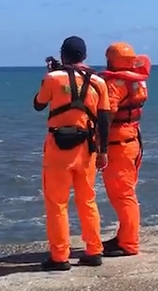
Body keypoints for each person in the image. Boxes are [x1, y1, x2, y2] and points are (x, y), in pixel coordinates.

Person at [33, 35, 111, 270]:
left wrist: (52, 73)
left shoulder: (53, 78)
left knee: (57, 204)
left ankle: (59, 256)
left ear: (62, 54)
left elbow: (38, 104)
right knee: (87, 200)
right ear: (84, 56)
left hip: (58, 147)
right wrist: (103, 151)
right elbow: (105, 118)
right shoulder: (99, 81)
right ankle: (94, 250)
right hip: (87, 148)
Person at [99, 41, 151, 257]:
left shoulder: (116, 84)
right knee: (126, 191)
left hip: (118, 144)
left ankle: (129, 243)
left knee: (122, 194)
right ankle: (123, 236)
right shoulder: (137, 81)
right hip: (133, 140)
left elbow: (107, 115)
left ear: (111, 60)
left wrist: (99, 147)